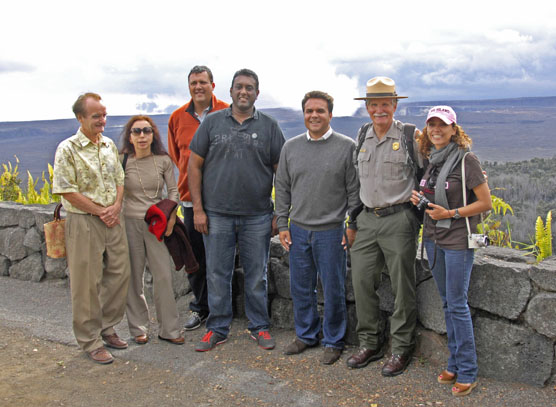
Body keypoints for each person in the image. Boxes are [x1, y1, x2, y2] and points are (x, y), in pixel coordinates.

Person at [188, 68, 285, 352]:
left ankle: (259, 327)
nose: (244, 92)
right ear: (230, 91)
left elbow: (281, 172)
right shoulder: (212, 123)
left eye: (250, 88)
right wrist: (198, 210)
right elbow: (194, 166)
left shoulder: (269, 126)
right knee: (217, 273)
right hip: (216, 214)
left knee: (257, 274)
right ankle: (217, 328)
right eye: (239, 87)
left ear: (257, 93)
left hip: (258, 216)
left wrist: (279, 213)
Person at [410, 106, 492, 396]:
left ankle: (468, 370)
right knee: (447, 304)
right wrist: (421, 200)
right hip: (433, 239)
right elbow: (435, 200)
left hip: (457, 240)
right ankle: (455, 362)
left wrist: (451, 213)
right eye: (431, 125)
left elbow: (485, 203)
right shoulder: (433, 159)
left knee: (457, 305)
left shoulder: (466, 160)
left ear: (454, 129)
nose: (436, 130)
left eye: (442, 125)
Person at [275, 91, 360, 365]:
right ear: (303, 115)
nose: (314, 115)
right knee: (301, 287)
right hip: (298, 229)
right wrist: (282, 224)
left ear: (330, 115)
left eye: (320, 111)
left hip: (332, 231)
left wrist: (352, 225)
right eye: (309, 111)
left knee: (333, 288)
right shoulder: (291, 147)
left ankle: (333, 340)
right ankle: (306, 335)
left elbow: (354, 192)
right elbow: (283, 188)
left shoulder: (346, 147)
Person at [346, 77, 421, 376]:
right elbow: (356, 183)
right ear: (366, 107)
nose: (379, 110)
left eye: (385, 104)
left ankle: (402, 348)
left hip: (399, 219)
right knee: (362, 283)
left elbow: (427, 175)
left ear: (395, 105)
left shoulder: (408, 136)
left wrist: (417, 216)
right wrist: (352, 221)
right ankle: (369, 343)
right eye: (374, 104)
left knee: (403, 287)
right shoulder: (363, 134)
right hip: (366, 219)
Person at [52, 93, 130, 364]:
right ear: (80, 118)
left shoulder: (108, 144)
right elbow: (66, 190)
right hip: (85, 221)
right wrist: (100, 211)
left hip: (112, 218)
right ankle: (90, 340)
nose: (102, 120)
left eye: (104, 115)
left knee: (120, 273)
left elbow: (120, 178)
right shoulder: (68, 148)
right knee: (86, 282)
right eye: (96, 116)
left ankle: (107, 327)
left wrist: (116, 206)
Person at [168, 66, 229, 331]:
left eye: (203, 82)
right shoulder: (177, 117)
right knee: (196, 259)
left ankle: (223, 310)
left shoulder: (227, 112)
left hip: (224, 200)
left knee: (223, 258)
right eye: (193, 83)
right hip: (192, 201)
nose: (198, 87)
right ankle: (201, 308)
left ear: (213, 85)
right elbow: (177, 156)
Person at [120, 115, 185, 345]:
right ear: (129, 136)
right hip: (129, 224)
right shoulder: (123, 160)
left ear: (153, 134)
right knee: (133, 278)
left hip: (156, 225)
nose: (141, 136)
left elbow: (173, 192)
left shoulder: (163, 161)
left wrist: (170, 218)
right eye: (136, 131)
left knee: (164, 276)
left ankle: (170, 329)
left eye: (146, 131)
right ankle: (138, 327)